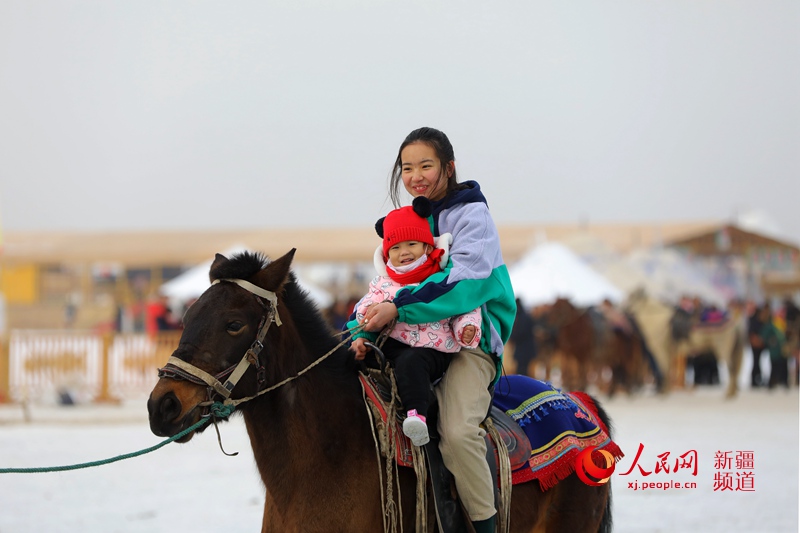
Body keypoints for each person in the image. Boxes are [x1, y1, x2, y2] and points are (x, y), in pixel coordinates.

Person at [358, 127, 516, 533]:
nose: (415, 176)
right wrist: (357, 328)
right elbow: (390, 283)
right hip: (411, 336)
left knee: (458, 432)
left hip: (469, 338)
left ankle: (485, 526)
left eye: (426, 165)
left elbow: (462, 287)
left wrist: (396, 309)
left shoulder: (473, 216)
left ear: (449, 167)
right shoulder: (414, 218)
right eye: (407, 168)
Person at [348, 197, 482, 446]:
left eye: (411, 243)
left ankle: (415, 415)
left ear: (428, 247)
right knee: (352, 361)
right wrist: (362, 338)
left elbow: (462, 308)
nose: (404, 252)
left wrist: (467, 327)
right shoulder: (382, 283)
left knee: (412, 363)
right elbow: (364, 312)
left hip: (431, 350)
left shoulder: (441, 280)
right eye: (396, 248)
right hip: (392, 346)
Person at [509, 298, 537, 376]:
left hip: (522, 350)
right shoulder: (527, 316)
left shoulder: (521, 318)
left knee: (521, 371)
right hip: (528, 350)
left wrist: (511, 337)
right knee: (525, 371)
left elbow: (520, 333)